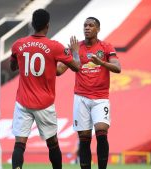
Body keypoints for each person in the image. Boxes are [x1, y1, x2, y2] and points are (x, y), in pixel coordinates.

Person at [10, 9, 80, 169]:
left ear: (32, 24)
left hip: (23, 102)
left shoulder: (18, 45)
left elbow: (14, 66)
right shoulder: (54, 47)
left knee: (19, 143)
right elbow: (76, 67)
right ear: (47, 26)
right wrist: (75, 54)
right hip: (45, 104)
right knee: (52, 143)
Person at [56, 17, 121, 169]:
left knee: (101, 132)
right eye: (85, 25)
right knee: (84, 139)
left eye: (91, 25)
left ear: (97, 29)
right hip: (81, 97)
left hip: (100, 98)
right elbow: (59, 70)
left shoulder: (106, 47)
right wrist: (68, 56)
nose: (87, 28)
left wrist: (101, 63)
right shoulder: (76, 47)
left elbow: (118, 68)